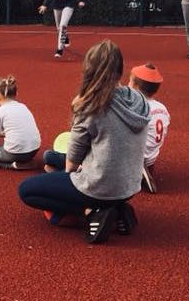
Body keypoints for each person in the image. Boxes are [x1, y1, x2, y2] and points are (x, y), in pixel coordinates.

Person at [18, 40, 150, 244]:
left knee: (27, 190)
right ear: (120, 70)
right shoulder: (139, 100)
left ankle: (95, 210)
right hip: (129, 185)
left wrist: (66, 175)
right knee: (51, 157)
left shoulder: (90, 104)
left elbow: (74, 157)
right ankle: (116, 207)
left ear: (89, 69)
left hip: (99, 186)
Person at [128, 63, 170, 194]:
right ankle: (141, 169)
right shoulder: (162, 108)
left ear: (135, 87)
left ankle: (135, 171)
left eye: (130, 81)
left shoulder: (138, 108)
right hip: (152, 157)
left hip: (136, 157)